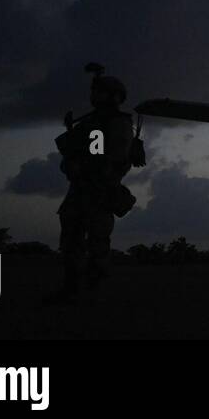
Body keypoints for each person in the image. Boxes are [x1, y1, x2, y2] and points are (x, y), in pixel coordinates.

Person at [56, 64, 136, 295]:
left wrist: (82, 165)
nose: (94, 96)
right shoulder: (94, 123)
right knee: (71, 242)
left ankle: (91, 291)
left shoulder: (114, 124)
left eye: (99, 91)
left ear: (112, 96)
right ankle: (72, 289)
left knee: (97, 244)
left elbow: (104, 159)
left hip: (98, 190)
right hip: (83, 189)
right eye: (95, 91)